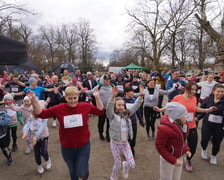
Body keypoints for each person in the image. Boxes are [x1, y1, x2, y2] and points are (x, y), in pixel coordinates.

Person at [28, 86, 104, 180]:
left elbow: (100, 111)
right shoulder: (59, 108)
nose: (72, 101)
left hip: (83, 145)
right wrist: (34, 100)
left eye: (75, 98)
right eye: (70, 98)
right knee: (72, 170)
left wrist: (97, 97)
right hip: (67, 146)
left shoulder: (85, 106)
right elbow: (41, 114)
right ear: (65, 98)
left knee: (81, 171)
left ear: (78, 97)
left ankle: (84, 174)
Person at [171, 82, 217, 172]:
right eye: (192, 89)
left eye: (195, 89)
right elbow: (171, 108)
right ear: (186, 89)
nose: (194, 91)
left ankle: (188, 159)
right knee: (177, 145)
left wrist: (207, 110)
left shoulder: (195, 98)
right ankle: (174, 160)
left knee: (193, 147)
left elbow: (195, 108)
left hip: (191, 126)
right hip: (179, 126)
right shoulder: (177, 98)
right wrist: (161, 110)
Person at [106, 86, 144, 180]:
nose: (121, 107)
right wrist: (112, 97)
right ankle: (113, 176)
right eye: (118, 105)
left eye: (122, 105)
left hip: (125, 143)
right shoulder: (112, 116)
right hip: (115, 143)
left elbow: (135, 106)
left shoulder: (127, 113)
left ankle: (125, 166)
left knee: (132, 164)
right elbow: (108, 109)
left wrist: (140, 96)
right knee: (117, 164)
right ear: (115, 106)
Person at [155, 102, 191, 180]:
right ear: (177, 116)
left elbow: (183, 140)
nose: (187, 116)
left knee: (176, 177)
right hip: (168, 159)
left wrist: (186, 149)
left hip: (180, 156)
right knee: (166, 177)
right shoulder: (164, 129)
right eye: (184, 114)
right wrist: (173, 160)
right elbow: (160, 146)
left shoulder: (184, 124)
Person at [22, 100, 51, 174]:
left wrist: (36, 136)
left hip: (44, 137)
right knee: (37, 153)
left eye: (35, 112)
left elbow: (42, 127)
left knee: (44, 152)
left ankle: (47, 160)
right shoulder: (31, 117)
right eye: (32, 112)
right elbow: (27, 124)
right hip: (34, 138)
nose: (34, 114)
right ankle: (39, 165)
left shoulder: (44, 117)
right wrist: (25, 132)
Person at [200, 84, 224, 165]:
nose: (220, 93)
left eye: (222, 92)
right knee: (204, 139)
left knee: (217, 142)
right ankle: (204, 150)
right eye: (218, 91)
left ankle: (214, 156)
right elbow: (202, 109)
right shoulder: (208, 99)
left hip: (220, 126)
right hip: (207, 124)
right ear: (213, 91)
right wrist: (197, 117)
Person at [123, 86, 144, 157]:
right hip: (124, 123)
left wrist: (141, 121)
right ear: (126, 93)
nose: (133, 93)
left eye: (133, 91)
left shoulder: (134, 100)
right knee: (125, 137)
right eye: (131, 91)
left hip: (133, 122)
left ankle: (131, 147)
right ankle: (127, 151)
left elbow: (138, 111)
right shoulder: (122, 101)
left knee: (133, 137)